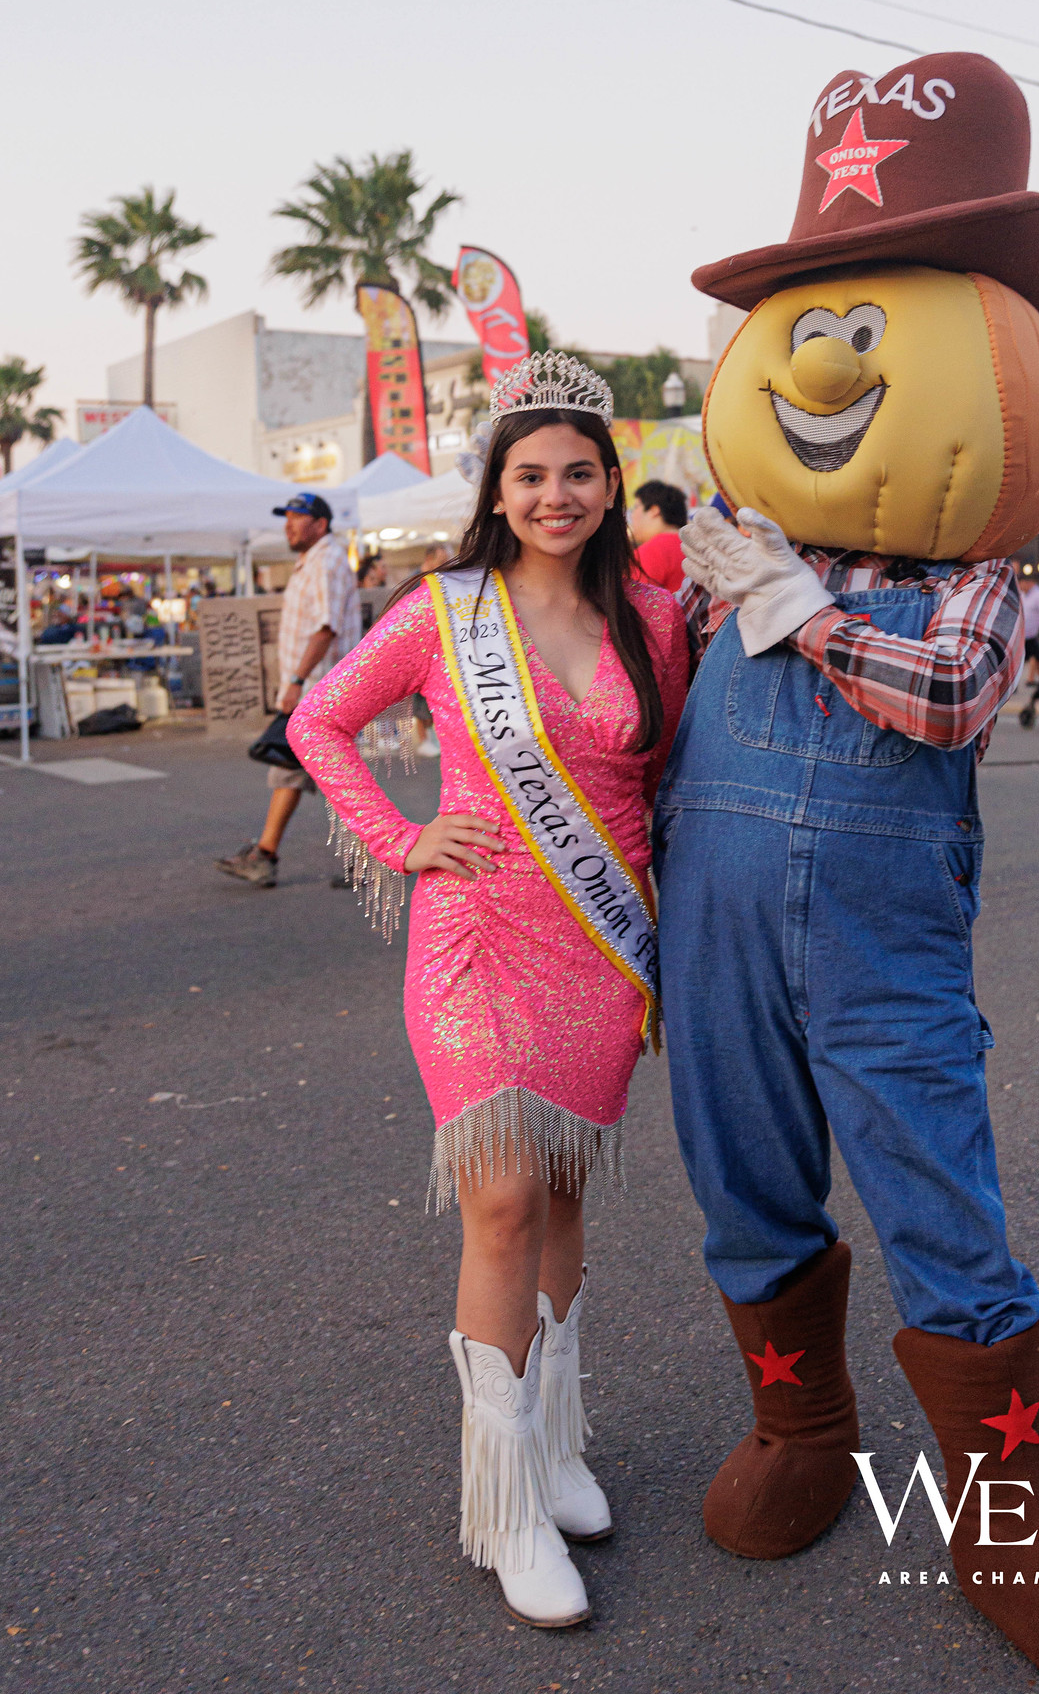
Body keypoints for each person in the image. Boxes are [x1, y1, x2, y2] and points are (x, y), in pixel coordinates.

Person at [658, 50, 1039, 1690]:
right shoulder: (727, 555)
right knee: (743, 1172)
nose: (821, 365)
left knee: (940, 1192)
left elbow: (946, 695)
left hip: (885, 944)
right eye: (803, 328)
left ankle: (1007, 1513)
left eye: (869, 326)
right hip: (718, 929)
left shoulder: (984, 574)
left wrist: (800, 604)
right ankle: (800, 1421)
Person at [286, 355, 688, 1628]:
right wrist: (400, 839)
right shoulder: (440, 608)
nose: (556, 492)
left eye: (578, 470)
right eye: (531, 474)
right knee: (504, 1195)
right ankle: (503, 1498)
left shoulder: (653, 617)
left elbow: (664, 782)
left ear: (609, 480)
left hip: (601, 937)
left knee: (564, 1185)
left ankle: (559, 1443)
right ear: (498, 490)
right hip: (477, 938)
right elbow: (318, 722)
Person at [214, 492, 360, 889]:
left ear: (320, 524)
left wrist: (297, 680)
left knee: (332, 776)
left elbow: (326, 626)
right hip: (320, 687)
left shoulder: (327, 560)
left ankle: (366, 859)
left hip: (322, 688)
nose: (289, 524)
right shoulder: (312, 561)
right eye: (288, 517)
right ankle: (266, 854)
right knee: (302, 772)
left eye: (298, 517)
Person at [627, 479, 687, 593]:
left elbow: (637, 603)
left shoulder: (651, 551)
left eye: (636, 507)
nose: (633, 515)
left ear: (654, 510)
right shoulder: (697, 544)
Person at [1015, 561, 1039, 685]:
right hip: (1024, 635)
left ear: (1028, 583)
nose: (1019, 586)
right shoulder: (1021, 594)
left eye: (1021, 584)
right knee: (1020, 661)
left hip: (1036, 636)